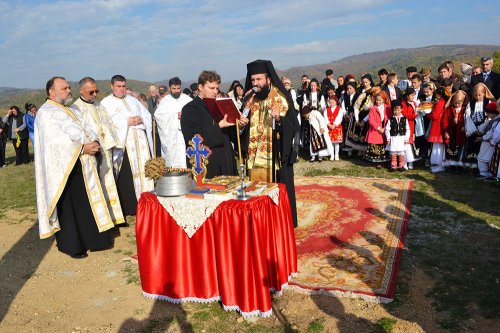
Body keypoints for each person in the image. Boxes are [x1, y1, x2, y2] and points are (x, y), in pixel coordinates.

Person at [35, 76, 114, 258]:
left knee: (86, 205)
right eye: (64, 88)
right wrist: (82, 148)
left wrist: (93, 142)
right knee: (70, 209)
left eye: (69, 87)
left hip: (84, 166)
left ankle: (94, 240)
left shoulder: (71, 110)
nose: (69, 90)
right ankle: (74, 245)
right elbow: (55, 144)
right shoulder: (46, 113)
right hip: (65, 170)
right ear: (52, 92)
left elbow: (87, 128)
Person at [242, 59, 300, 227]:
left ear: (268, 79)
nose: (255, 84)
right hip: (254, 158)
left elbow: (293, 126)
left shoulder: (280, 97)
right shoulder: (250, 98)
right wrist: (245, 110)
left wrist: (278, 119)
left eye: (259, 79)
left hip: (275, 158)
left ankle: (281, 224)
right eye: (253, 80)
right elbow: (241, 128)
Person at [73, 77, 125, 226]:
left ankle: (115, 217)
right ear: (81, 91)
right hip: (92, 153)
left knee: (109, 182)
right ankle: (102, 220)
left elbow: (108, 125)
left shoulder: (98, 105)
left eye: (96, 91)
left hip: (106, 150)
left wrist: (112, 142)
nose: (95, 94)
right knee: (97, 185)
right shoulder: (76, 109)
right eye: (91, 92)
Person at [101, 75, 154, 216]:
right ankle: (130, 205)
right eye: (118, 86)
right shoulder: (105, 103)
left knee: (144, 170)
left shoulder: (133, 100)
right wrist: (126, 122)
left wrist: (141, 119)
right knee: (127, 174)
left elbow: (147, 115)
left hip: (140, 142)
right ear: (112, 86)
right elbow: (105, 124)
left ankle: (146, 200)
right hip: (123, 145)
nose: (122, 89)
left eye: (124, 86)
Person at [181, 70, 246, 178]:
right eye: (211, 88)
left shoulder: (221, 105)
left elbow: (231, 136)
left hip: (226, 160)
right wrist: (219, 126)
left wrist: (239, 126)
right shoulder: (190, 109)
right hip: (207, 163)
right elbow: (192, 138)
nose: (215, 92)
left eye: (217, 88)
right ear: (200, 87)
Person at [155, 77, 192, 168]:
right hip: (171, 137)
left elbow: (194, 114)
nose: (176, 91)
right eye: (174, 88)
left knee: (186, 159)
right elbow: (159, 117)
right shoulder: (165, 101)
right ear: (169, 88)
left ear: (181, 87)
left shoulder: (187, 99)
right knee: (173, 160)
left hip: (185, 136)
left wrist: (185, 116)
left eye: (178, 88)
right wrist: (175, 116)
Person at [463, 83, 495, 169]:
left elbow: (490, 117)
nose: (477, 97)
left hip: (484, 127)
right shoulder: (471, 103)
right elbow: (467, 116)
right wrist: (472, 129)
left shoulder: (488, 102)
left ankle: (479, 167)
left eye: (479, 95)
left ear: (484, 94)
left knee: (480, 147)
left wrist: (481, 129)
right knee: (471, 145)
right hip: (472, 127)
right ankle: (470, 164)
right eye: (475, 95)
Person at [441, 90, 468, 171]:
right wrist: (445, 131)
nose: (457, 105)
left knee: (460, 149)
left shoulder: (465, 110)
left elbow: (468, 120)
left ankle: (459, 166)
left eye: (459, 103)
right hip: (451, 133)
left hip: (460, 134)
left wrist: (464, 126)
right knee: (450, 149)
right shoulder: (449, 110)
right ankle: (451, 166)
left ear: (463, 102)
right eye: (455, 103)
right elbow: (444, 121)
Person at [427, 87, 451, 173]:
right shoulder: (443, 102)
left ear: (439, 95)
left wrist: (428, 114)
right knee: (439, 146)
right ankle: (439, 165)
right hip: (440, 126)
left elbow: (435, 116)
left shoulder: (440, 103)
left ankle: (440, 165)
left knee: (438, 147)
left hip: (438, 127)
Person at [365, 91, 390, 167]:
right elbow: (371, 120)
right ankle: (377, 162)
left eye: (380, 100)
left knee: (383, 145)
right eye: (377, 100)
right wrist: (379, 128)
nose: (378, 102)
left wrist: (385, 128)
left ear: (384, 100)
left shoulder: (388, 108)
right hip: (375, 130)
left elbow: (389, 118)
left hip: (385, 128)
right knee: (376, 146)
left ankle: (384, 161)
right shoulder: (373, 109)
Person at [385, 99, 410, 172]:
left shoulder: (405, 119)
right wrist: (388, 138)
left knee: (401, 152)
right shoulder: (391, 119)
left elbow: (408, 129)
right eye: (395, 110)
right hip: (393, 138)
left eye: (398, 110)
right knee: (394, 152)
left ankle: (401, 165)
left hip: (401, 138)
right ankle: (393, 165)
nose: (396, 112)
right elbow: (387, 129)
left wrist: (406, 138)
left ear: (401, 109)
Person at [476, 102, 499, 179]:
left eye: (489, 113)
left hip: (490, 143)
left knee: (485, 158)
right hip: (487, 142)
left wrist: (482, 138)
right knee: (484, 157)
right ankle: (485, 172)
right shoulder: (491, 120)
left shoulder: (496, 121)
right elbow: (483, 127)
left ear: (494, 113)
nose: (487, 115)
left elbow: (492, 132)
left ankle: (485, 173)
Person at [401, 87, 421, 169]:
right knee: (405, 144)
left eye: (414, 95)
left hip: (412, 125)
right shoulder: (403, 104)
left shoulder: (414, 103)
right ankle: (405, 162)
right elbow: (405, 114)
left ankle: (411, 161)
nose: (413, 97)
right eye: (411, 95)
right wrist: (414, 115)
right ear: (407, 96)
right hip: (406, 125)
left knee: (411, 143)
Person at [324, 89, 344, 161]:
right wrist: (329, 124)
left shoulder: (339, 109)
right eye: (330, 102)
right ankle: (332, 154)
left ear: (336, 102)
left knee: (336, 143)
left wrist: (334, 124)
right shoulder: (326, 110)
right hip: (329, 127)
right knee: (331, 143)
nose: (331, 104)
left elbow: (339, 117)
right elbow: (325, 117)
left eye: (333, 102)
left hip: (336, 127)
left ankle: (337, 154)